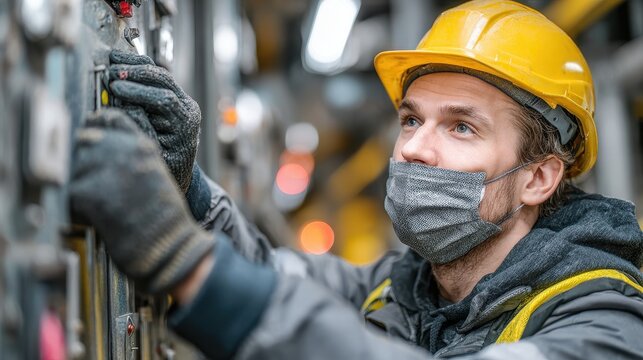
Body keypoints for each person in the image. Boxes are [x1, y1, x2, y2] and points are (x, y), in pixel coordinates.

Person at [70, 1, 643, 359]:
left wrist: (186, 264)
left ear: (539, 178)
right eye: (412, 119)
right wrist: (187, 191)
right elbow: (270, 274)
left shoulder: (606, 326)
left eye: (462, 128)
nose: (415, 148)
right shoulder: (401, 291)